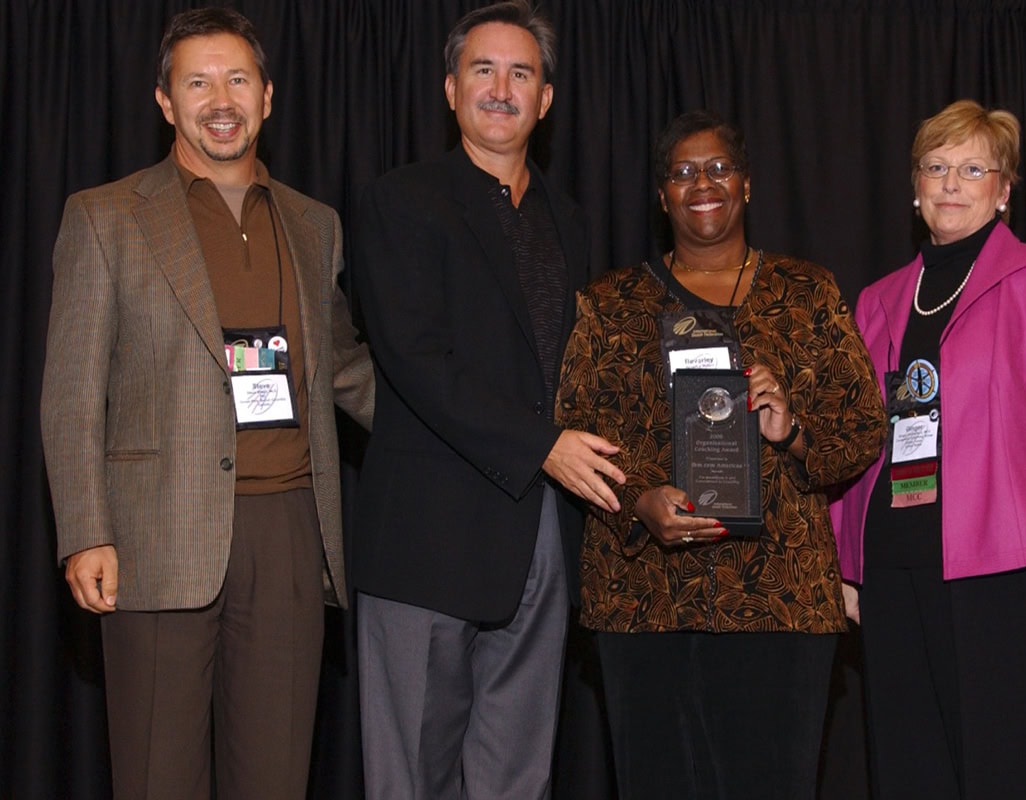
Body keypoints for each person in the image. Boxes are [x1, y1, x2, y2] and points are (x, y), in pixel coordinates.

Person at [40, 7, 374, 800]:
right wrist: (85, 532)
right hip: (155, 534)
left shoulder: (314, 223)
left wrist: (467, 430)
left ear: (266, 97)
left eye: (235, 79)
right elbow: (70, 390)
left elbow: (344, 369)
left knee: (275, 777)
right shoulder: (104, 216)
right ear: (164, 100)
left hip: (291, 534)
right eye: (196, 82)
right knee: (158, 778)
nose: (218, 99)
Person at [555, 109, 887, 800]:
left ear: (746, 184)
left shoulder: (807, 292)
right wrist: (636, 502)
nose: (701, 183)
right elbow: (576, 427)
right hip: (643, 598)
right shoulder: (609, 303)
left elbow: (861, 425)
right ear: (661, 194)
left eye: (717, 168)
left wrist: (792, 431)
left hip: (782, 602)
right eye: (681, 172)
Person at [350, 2, 625, 797]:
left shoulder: (567, 220)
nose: (501, 89)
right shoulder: (399, 201)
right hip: (426, 543)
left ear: (545, 99)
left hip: (543, 535)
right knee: (411, 777)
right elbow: (415, 358)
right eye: (483, 70)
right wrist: (543, 445)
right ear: (449, 89)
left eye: (521, 73)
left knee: (516, 776)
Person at [830, 99, 1026, 799]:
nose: (950, 183)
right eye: (935, 167)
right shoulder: (877, 300)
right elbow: (859, 437)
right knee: (908, 771)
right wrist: (846, 560)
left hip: (1007, 570)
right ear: (914, 186)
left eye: (972, 168)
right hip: (894, 566)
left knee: (1005, 772)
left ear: (1003, 190)